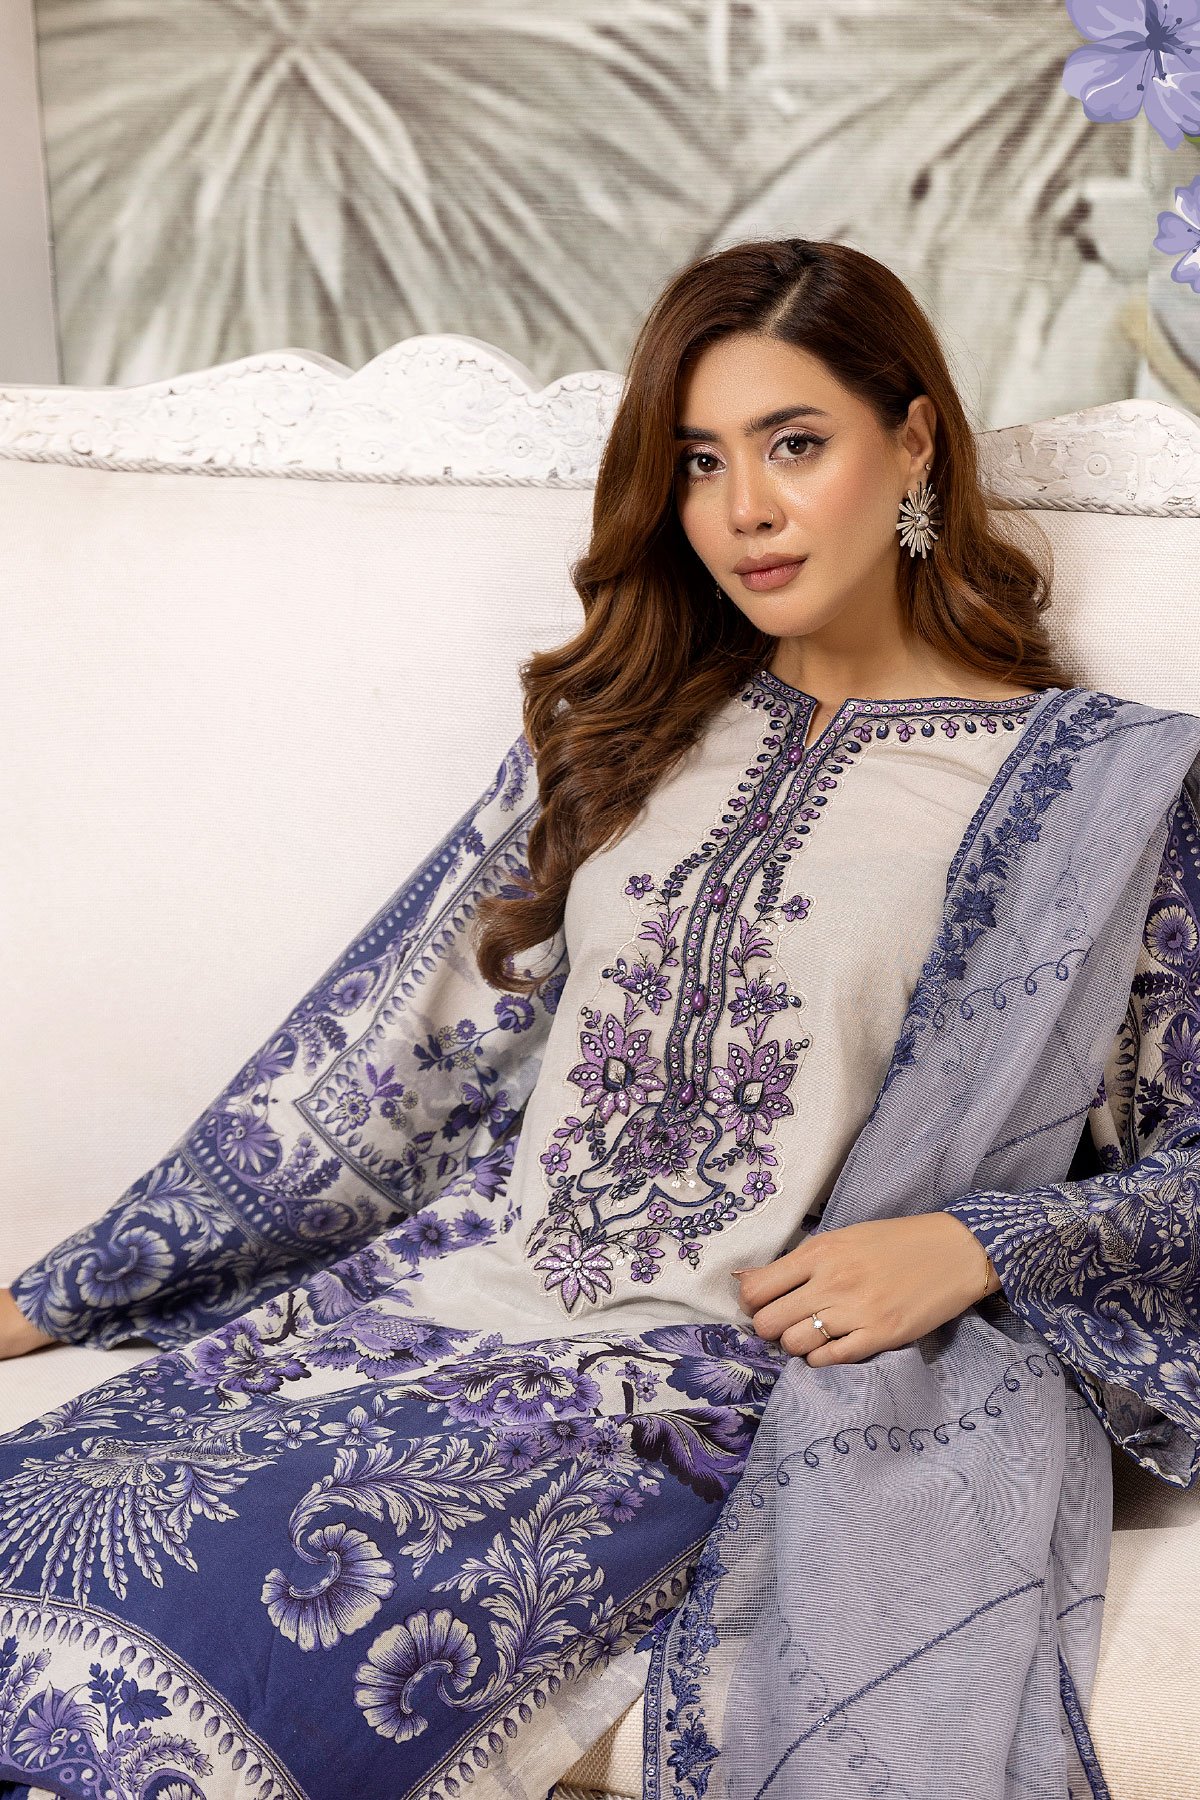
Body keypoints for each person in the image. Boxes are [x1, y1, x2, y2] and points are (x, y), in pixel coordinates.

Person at [0, 237, 1197, 1800]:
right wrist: (62, 1292)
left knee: (194, 1673)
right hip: (436, 1306)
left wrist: (979, 1244)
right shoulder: (625, 724)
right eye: (699, 461)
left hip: (706, 1383)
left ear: (913, 441)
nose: (745, 509)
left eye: (794, 444)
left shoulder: (1106, 792)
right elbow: (385, 1063)